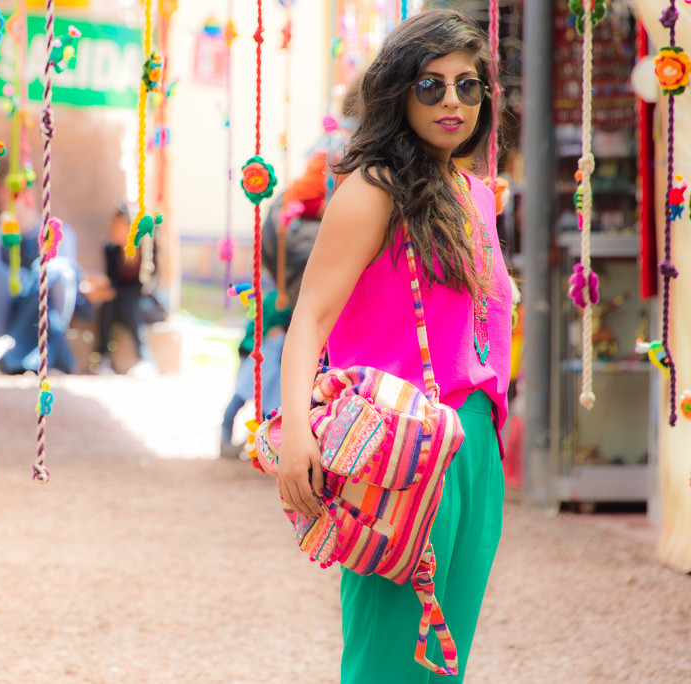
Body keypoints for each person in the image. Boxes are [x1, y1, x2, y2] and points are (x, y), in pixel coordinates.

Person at [276, 11, 511, 683]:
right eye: (431, 86)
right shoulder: (372, 190)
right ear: (398, 91)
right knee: (384, 661)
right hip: (396, 451)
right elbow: (308, 323)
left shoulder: (475, 196)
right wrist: (299, 435)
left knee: (441, 666)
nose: (453, 102)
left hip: (474, 447)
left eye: (469, 86)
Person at [0, 185, 109, 374]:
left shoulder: (59, 232)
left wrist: (37, 278)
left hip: (43, 301)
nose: (0, 197)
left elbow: (65, 271)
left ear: (29, 196)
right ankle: (5, 352)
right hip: (10, 302)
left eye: (9, 193)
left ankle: (43, 354)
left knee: (62, 273)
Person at [95, 202, 166, 376]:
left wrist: (112, 292)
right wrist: (102, 286)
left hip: (147, 305)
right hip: (120, 303)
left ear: (130, 227)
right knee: (108, 305)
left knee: (128, 303)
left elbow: (145, 287)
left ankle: (145, 359)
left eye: (117, 225)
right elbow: (113, 281)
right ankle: (103, 359)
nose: (112, 228)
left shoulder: (149, 247)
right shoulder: (111, 250)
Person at [220, 290, 291, 458]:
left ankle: (253, 449)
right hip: (259, 357)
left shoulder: (277, 299)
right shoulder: (277, 298)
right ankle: (238, 447)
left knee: (263, 411)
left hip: (267, 360)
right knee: (257, 409)